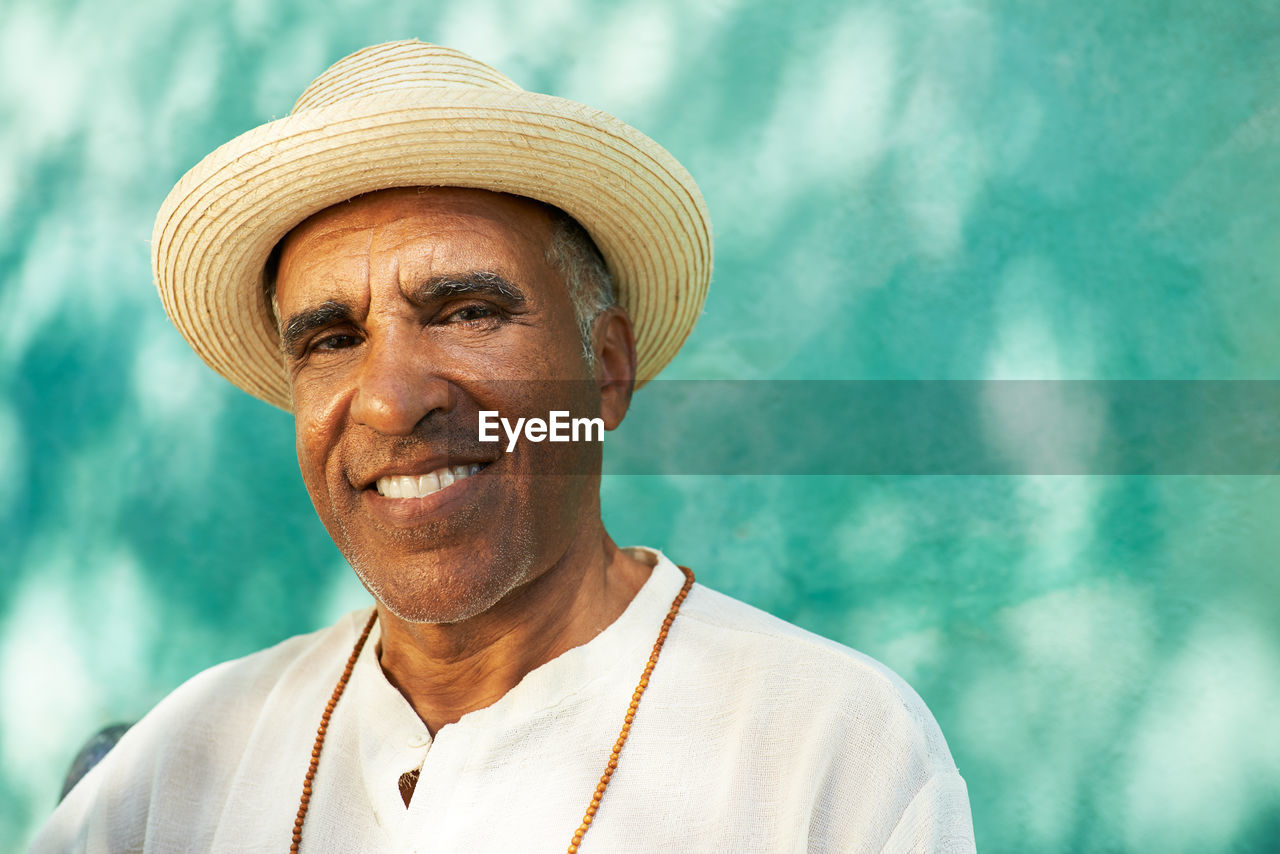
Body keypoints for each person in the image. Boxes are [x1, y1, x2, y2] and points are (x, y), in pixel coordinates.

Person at [31, 40, 975, 853]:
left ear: (603, 374)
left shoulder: (826, 747)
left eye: (470, 313)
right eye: (330, 340)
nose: (392, 402)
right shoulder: (181, 767)